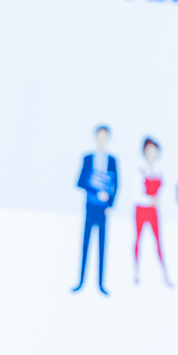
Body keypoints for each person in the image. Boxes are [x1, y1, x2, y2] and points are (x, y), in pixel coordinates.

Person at [72, 125, 118, 294]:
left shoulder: (112, 160)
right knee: (86, 244)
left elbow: (116, 184)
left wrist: (110, 203)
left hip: (103, 210)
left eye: (105, 137)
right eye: (100, 136)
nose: (102, 140)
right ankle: (80, 282)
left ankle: (100, 284)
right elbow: (80, 182)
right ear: (95, 137)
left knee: (102, 246)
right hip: (90, 207)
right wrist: (96, 191)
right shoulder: (88, 158)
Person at [132, 136, 173, 287]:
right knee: (138, 239)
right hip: (141, 210)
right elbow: (135, 194)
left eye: (154, 151)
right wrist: (150, 200)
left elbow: (165, 192)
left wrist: (158, 201)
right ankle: (136, 272)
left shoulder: (159, 171)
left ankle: (165, 274)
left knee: (158, 241)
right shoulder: (140, 170)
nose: (152, 153)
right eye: (149, 150)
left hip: (154, 211)